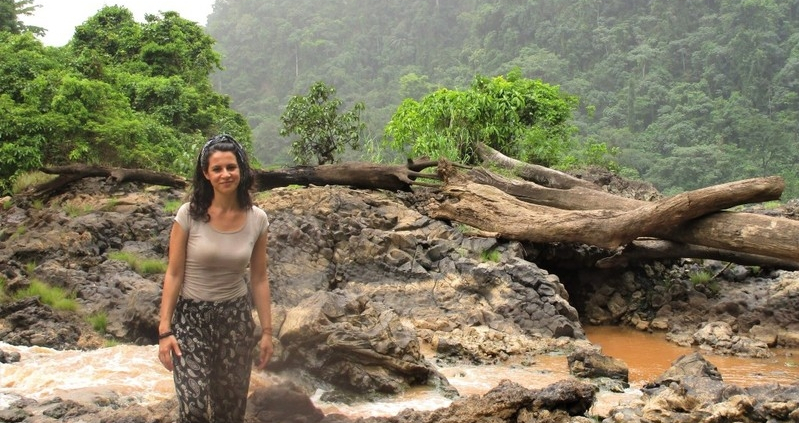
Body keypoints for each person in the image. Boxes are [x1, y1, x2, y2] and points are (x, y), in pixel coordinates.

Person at [157, 134, 273, 423]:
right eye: (217, 169)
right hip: (191, 319)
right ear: (206, 174)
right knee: (194, 407)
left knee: (230, 410)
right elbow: (174, 273)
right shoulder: (188, 215)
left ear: (241, 170)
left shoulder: (257, 219)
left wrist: (267, 332)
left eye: (231, 167)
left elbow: (259, 278)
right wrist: (164, 331)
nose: (225, 174)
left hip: (235, 319)